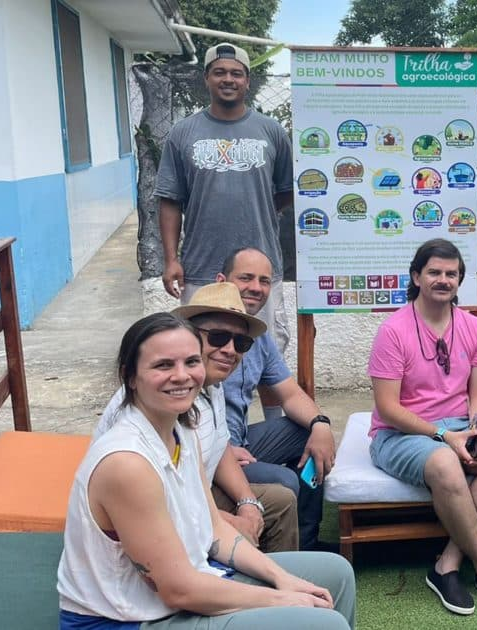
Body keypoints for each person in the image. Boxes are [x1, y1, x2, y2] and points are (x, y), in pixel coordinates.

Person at [58, 313, 355, 628]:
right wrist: (282, 599)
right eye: (163, 365)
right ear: (130, 376)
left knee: (336, 573)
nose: (182, 376)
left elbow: (213, 527)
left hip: (192, 579)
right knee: (320, 622)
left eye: (190, 362)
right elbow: (178, 591)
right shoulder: (127, 463)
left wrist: (282, 578)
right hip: (129, 619)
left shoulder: (182, 428)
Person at [368, 238, 477, 616]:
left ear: (460, 280)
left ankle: (446, 563)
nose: (443, 280)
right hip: (402, 433)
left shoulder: (472, 327)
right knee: (445, 463)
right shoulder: (393, 331)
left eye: (451, 273)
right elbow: (388, 408)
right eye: (434, 272)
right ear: (416, 276)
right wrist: (445, 437)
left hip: (461, 425)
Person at [95, 283, 298, 552]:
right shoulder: (165, 400)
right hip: (154, 514)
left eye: (241, 342)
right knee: (263, 509)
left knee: (278, 500)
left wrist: (247, 502)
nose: (230, 349)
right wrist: (222, 522)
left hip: (193, 495)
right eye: (217, 337)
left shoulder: (210, 386)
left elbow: (220, 444)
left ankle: (281, 576)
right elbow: (164, 499)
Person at [156, 42, 294, 351]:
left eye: (236, 73)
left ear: (247, 80)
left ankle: (271, 404)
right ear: (206, 78)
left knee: (265, 348)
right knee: (200, 348)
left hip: (260, 267)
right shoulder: (183, 132)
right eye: (219, 72)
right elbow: (169, 199)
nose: (228, 79)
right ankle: (208, 403)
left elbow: (287, 189)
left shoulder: (271, 131)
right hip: (201, 266)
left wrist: (259, 209)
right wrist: (170, 259)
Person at [217, 248, 337, 551]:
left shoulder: (258, 336)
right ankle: (280, 552)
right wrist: (219, 449)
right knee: (283, 481)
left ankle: (307, 543)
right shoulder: (201, 333)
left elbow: (291, 393)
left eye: (264, 280)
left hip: (240, 442)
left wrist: (321, 424)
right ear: (221, 281)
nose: (256, 287)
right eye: (245, 278)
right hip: (210, 451)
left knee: (308, 432)